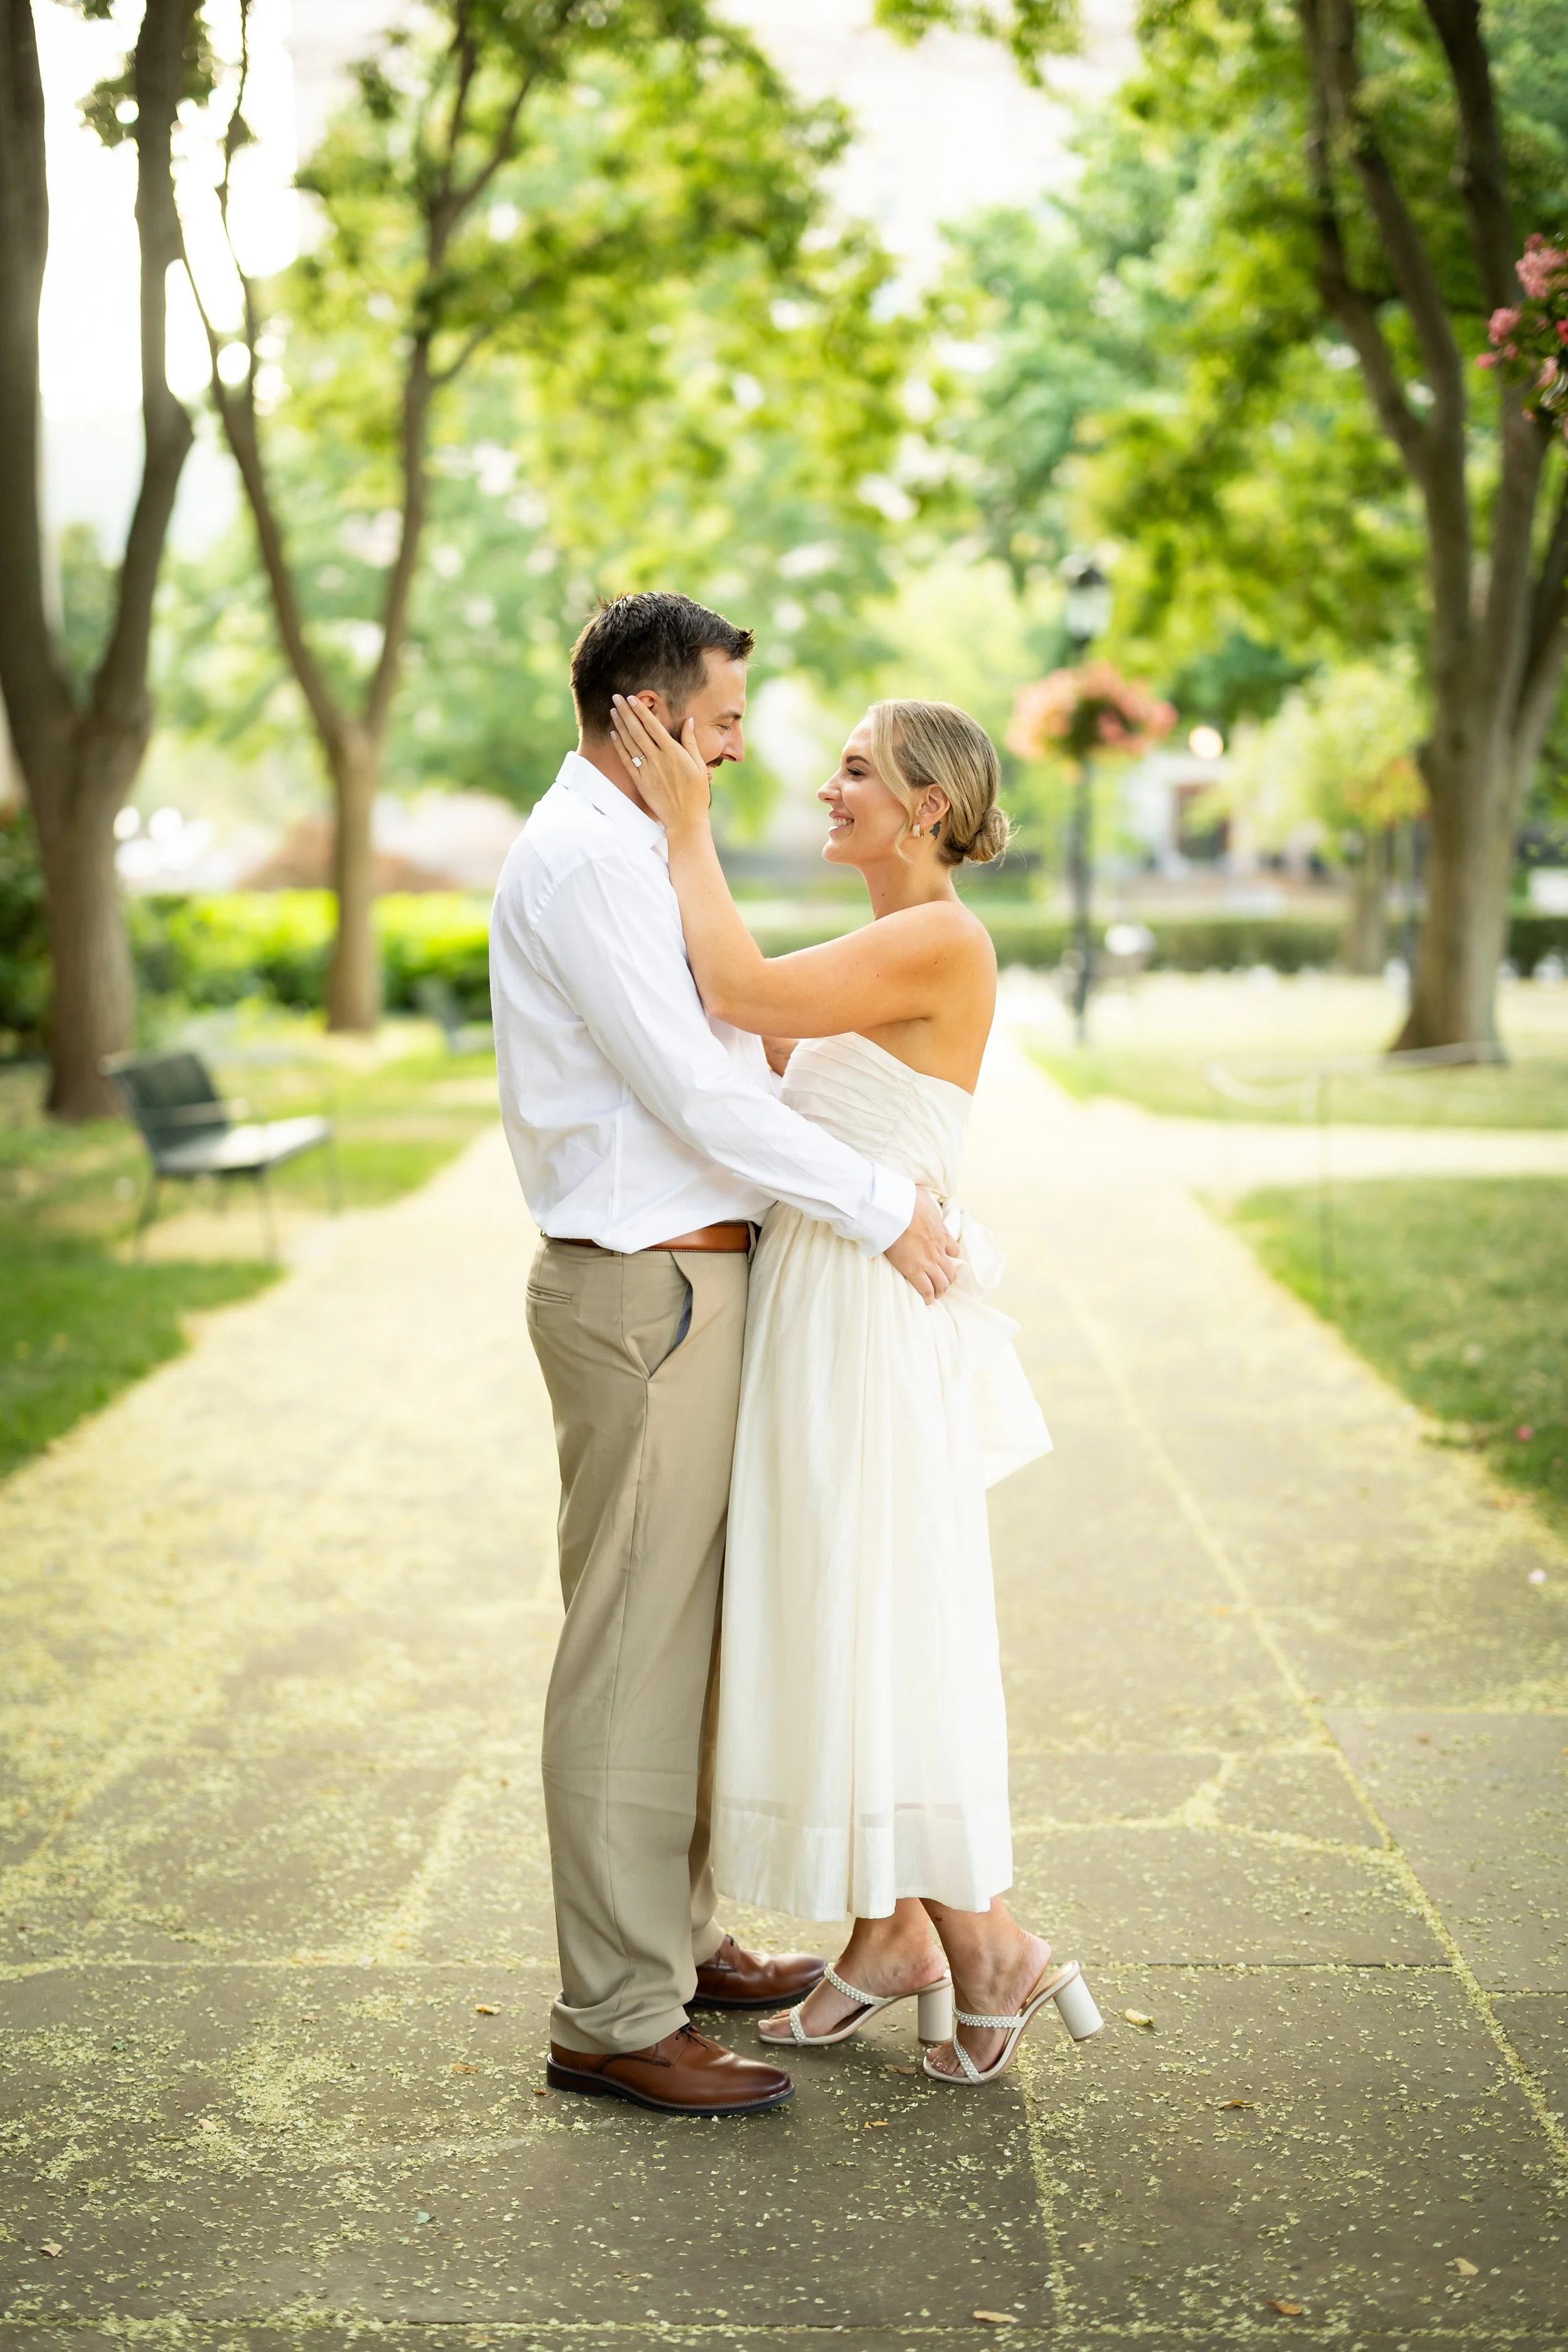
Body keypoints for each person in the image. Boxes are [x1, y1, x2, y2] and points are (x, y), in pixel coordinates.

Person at [490, 592, 961, 2119]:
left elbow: (733, 1048)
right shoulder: (582, 862)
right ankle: (610, 2013)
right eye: (717, 728)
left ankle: (676, 1944)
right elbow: (703, 1104)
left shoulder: (637, 855)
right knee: (629, 1658)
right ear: (640, 720)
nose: (737, 757)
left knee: (681, 1646)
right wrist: (885, 1205)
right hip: (643, 1296)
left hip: (699, 1288)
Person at [610, 687, 1105, 2087]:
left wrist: (685, 827)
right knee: (840, 1602)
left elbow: (739, 996)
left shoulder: (939, 937)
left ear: (925, 807)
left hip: (866, 1319)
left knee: (874, 1604)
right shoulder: (890, 939)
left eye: (852, 771)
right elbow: (748, 1056)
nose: (826, 789)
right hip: (823, 1300)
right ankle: (888, 1933)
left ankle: (984, 1942)